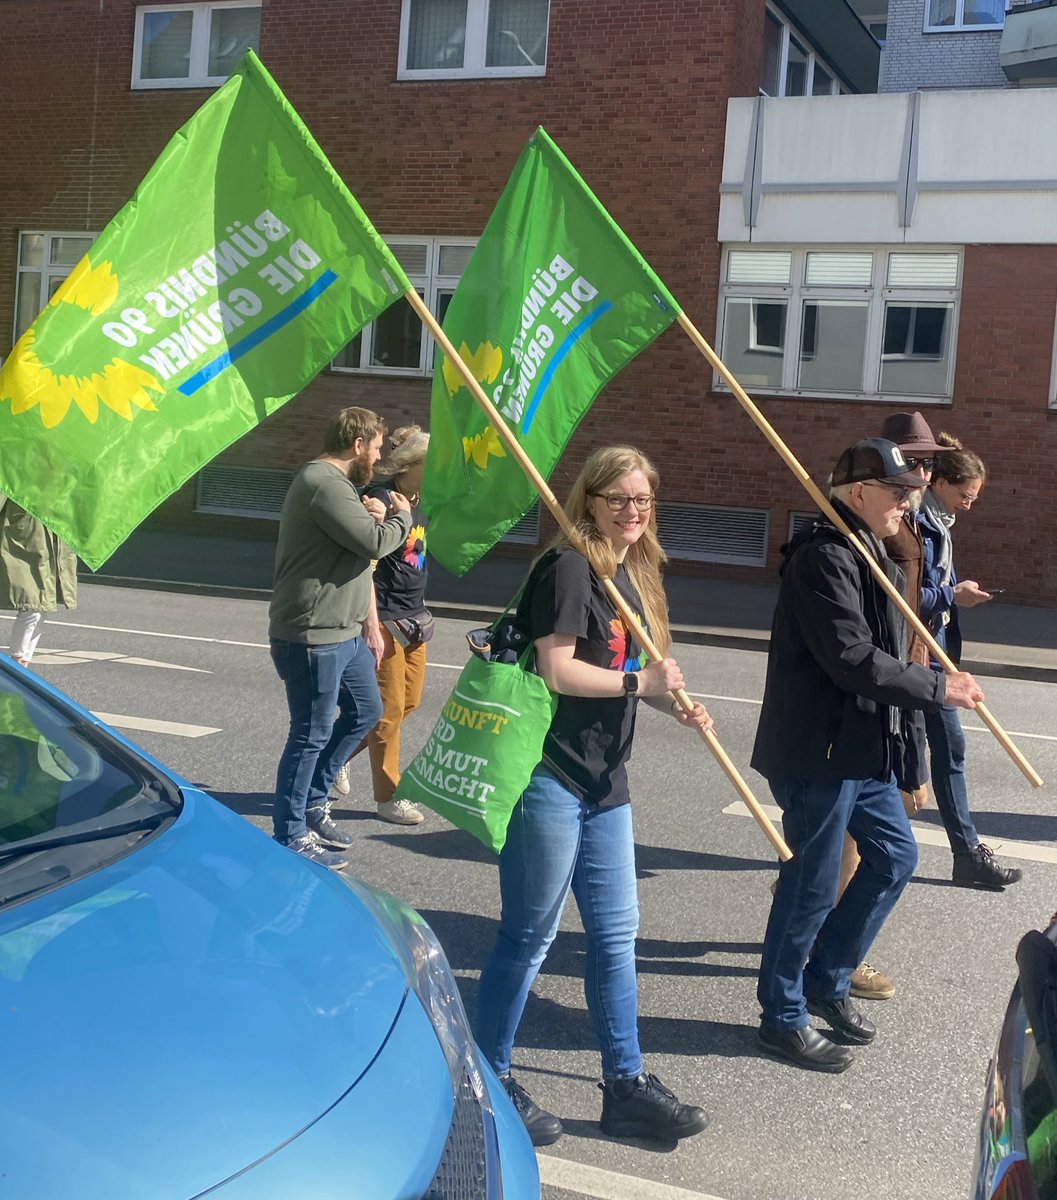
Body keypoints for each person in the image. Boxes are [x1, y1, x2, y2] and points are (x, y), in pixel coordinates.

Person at [474, 446, 712, 1147]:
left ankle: (625, 1085)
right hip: (548, 777)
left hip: (606, 780)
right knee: (529, 935)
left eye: (642, 499)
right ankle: (489, 1078)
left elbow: (623, 667)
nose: (632, 511)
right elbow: (556, 670)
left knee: (615, 939)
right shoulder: (571, 565)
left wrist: (668, 703)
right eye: (618, 500)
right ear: (589, 500)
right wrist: (645, 686)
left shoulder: (628, 569)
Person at [752, 438, 986, 1073]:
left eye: (912, 491)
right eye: (898, 492)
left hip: (862, 746)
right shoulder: (824, 557)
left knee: (895, 855)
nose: (908, 502)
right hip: (817, 750)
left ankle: (828, 978)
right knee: (811, 883)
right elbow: (852, 659)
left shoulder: (874, 550)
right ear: (858, 493)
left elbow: (893, 639)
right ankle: (781, 1014)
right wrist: (940, 688)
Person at [268, 407, 412, 871]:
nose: (378, 457)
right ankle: (289, 831)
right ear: (357, 445)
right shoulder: (322, 483)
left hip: (344, 630)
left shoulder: (340, 486)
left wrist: (373, 511)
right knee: (310, 733)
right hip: (314, 634)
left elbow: (355, 537)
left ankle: (314, 801)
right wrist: (399, 516)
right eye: (375, 448)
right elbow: (372, 543)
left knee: (367, 711)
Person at [840, 410, 945, 1003]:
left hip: (905, 676)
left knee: (865, 832)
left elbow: (910, 601)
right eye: (914, 461)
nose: (923, 473)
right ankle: (840, 952)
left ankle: (815, 914)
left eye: (929, 463)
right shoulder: (881, 526)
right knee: (868, 836)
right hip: (881, 685)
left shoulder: (912, 520)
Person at [918, 433, 1021, 891]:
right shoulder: (915, 521)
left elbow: (938, 582)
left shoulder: (940, 522)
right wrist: (948, 594)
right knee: (892, 767)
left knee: (950, 750)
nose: (969, 506)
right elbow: (901, 592)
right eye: (965, 496)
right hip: (915, 653)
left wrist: (958, 591)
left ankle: (966, 853)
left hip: (937, 650)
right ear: (939, 482)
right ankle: (824, 856)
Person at [331, 425, 430, 826]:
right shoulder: (381, 498)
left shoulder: (424, 500)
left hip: (416, 615)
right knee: (387, 712)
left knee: (410, 703)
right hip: (385, 616)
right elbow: (364, 563)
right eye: (433, 463)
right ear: (412, 464)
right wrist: (369, 622)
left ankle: (336, 754)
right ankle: (389, 797)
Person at [0, 496, 77, 667]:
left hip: (50, 542)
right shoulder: (16, 469)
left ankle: (23, 664)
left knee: (41, 608)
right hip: (23, 545)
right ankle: (17, 663)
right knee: (33, 607)